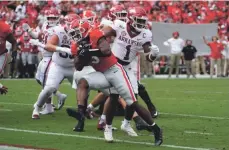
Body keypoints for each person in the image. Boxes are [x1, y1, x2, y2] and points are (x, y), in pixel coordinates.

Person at [66, 18, 163, 145]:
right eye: (73, 34)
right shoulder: (76, 45)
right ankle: (81, 114)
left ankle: (156, 129)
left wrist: (88, 50)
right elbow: (78, 67)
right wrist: (80, 55)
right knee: (82, 81)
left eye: (77, 32)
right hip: (101, 73)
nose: (75, 36)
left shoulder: (95, 34)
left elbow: (106, 51)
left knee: (132, 103)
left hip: (114, 71)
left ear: (85, 29)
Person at [22, 8, 67, 115]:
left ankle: (48, 106)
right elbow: (38, 36)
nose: (51, 20)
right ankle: (58, 95)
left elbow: (48, 46)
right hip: (45, 57)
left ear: (58, 18)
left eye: (53, 18)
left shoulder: (58, 29)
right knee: (40, 80)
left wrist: (38, 44)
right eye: (50, 17)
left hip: (52, 58)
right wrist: (29, 31)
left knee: (46, 83)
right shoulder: (45, 25)